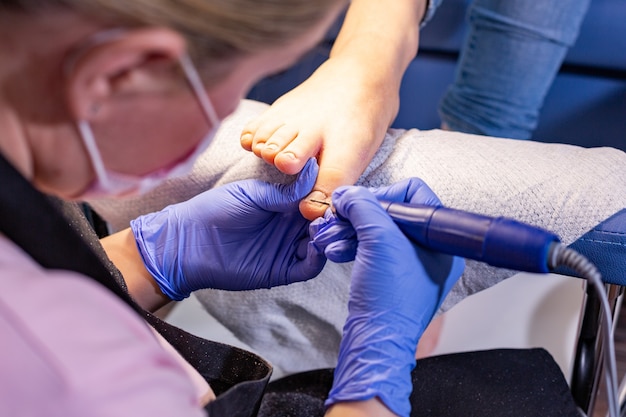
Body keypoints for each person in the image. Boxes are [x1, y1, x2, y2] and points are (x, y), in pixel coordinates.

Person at [0, 1, 465, 417]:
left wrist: (141, 261)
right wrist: (374, 382)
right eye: (251, 80)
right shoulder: (72, 380)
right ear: (122, 73)